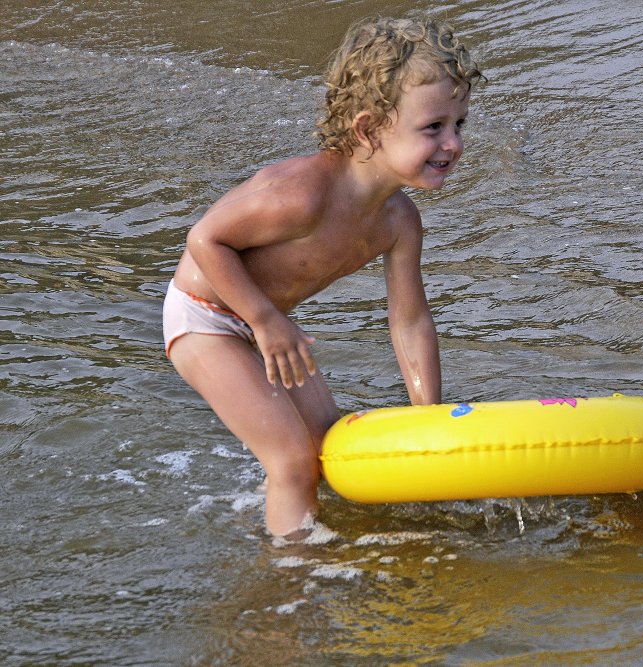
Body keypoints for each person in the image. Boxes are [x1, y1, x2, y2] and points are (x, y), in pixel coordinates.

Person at [162, 16, 483, 538]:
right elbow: (205, 239)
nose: (453, 144)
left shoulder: (399, 222)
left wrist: (429, 418)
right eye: (433, 128)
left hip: (267, 327)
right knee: (291, 461)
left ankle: (281, 519)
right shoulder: (302, 194)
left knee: (328, 447)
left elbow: (409, 322)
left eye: (458, 125)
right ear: (368, 129)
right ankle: (290, 581)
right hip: (206, 319)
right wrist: (265, 320)